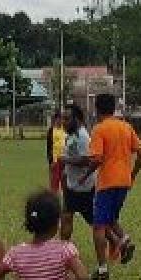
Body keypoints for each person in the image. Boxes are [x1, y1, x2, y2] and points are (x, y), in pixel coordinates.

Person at [85, 93, 141, 280]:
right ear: (113, 108)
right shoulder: (126, 127)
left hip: (107, 183)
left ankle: (102, 271)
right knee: (110, 218)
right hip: (124, 182)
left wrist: (85, 173)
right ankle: (124, 239)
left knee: (98, 226)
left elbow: (97, 158)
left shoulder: (99, 129)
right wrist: (132, 174)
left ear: (97, 109)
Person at [58, 104, 94, 242]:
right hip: (73, 184)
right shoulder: (73, 135)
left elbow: (87, 161)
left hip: (82, 186)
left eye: (67, 119)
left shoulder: (83, 136)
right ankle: (119, 241)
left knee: (92, 221)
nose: (63, 122)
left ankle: (119, 242)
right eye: (63, 118)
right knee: (68, 216)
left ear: (77, 119)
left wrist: (65, 159)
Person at [47, 112, 67, 194]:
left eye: (62, 119)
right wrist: (51, 161)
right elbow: (49, 147)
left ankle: (65, 197)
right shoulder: (51, 130)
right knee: (54, 182)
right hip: (55, 160)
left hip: (65, 159)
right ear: (55, 119)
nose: (61, 121)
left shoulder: (65, 129)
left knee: (65, 181)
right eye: (59, 119)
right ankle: (53, 198)